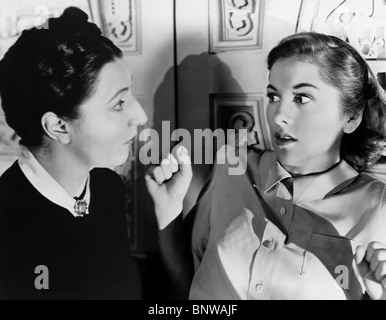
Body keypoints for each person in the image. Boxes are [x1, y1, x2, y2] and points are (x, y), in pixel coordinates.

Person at [146, 32, 386, 300]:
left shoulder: (378, 206)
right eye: (273, 96)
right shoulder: (231, 167)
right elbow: (188, 284)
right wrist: (167, 211)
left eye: (301, 98)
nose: (278, 115)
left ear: (351, 117)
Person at [0, 7, 148, 300]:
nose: (140, 115)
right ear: (58, 126)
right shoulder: (7, 226)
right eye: (119, 104)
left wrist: (168, 214)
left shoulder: (108, 188)